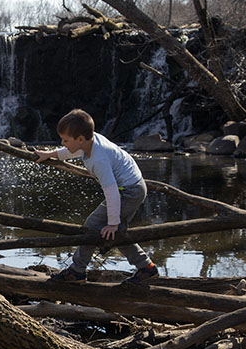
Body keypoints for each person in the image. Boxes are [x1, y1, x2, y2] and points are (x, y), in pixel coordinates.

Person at [35, 109, 158, 284]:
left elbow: (112, 192)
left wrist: (112, 222)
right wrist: (50, 154)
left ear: (80, 139)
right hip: (133, 187)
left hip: (128, 191)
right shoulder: (89, 141)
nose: (62, 143)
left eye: (65, 140)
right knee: (114, 234)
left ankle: (77, 271)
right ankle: (147, 268)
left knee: (93, 226)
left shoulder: (99, 159)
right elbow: (71, 151)